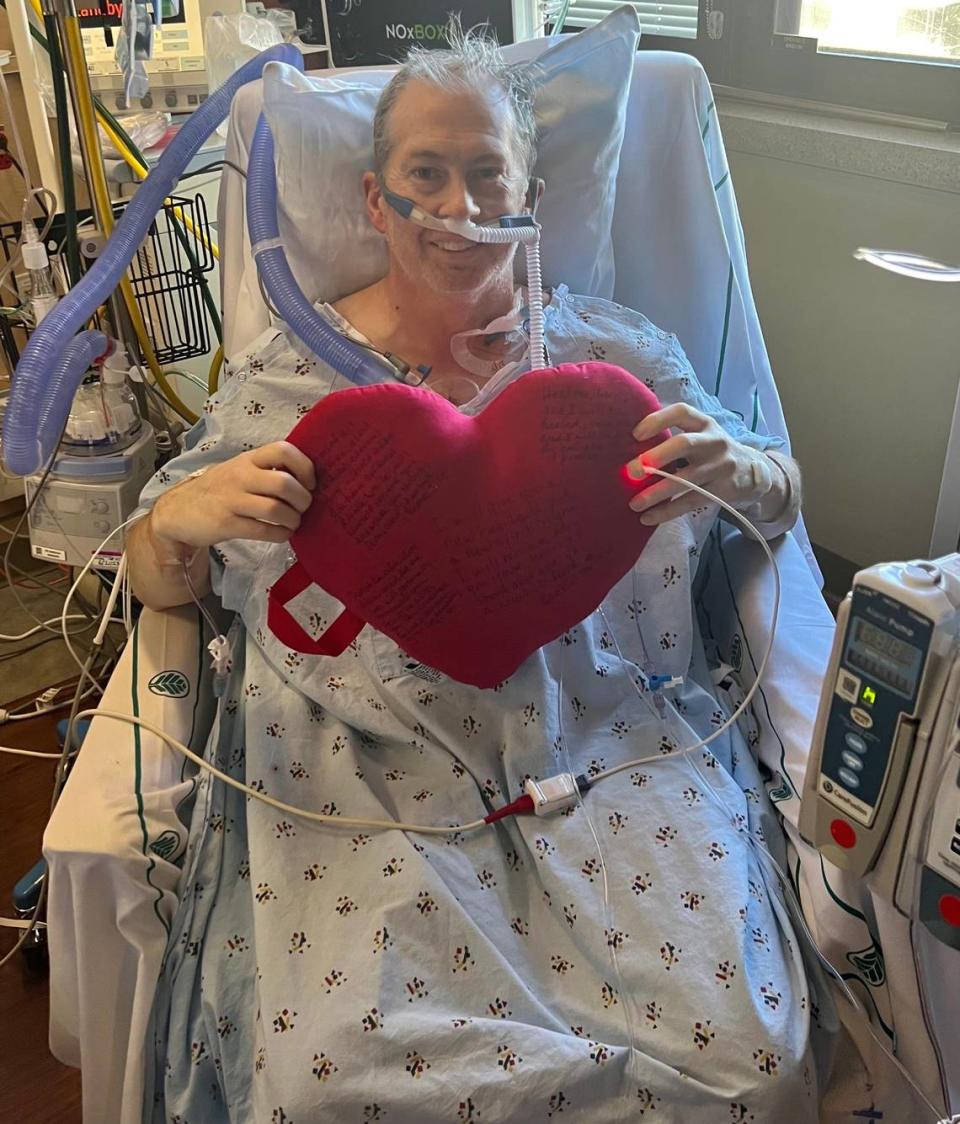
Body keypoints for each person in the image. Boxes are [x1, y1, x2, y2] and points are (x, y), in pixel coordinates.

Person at [128, 27, 829, 1124]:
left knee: (750, 1063)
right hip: (358, 767)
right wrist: (180, 518)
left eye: (486, 172)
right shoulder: (287, 380)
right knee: (328, 1082)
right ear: (373, 197)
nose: (458, 204)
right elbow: (157, 582)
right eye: (426, 173)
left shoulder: (621, 360)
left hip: (611, 745)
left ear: (531, 195)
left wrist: (746, 469)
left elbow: (778, 501)